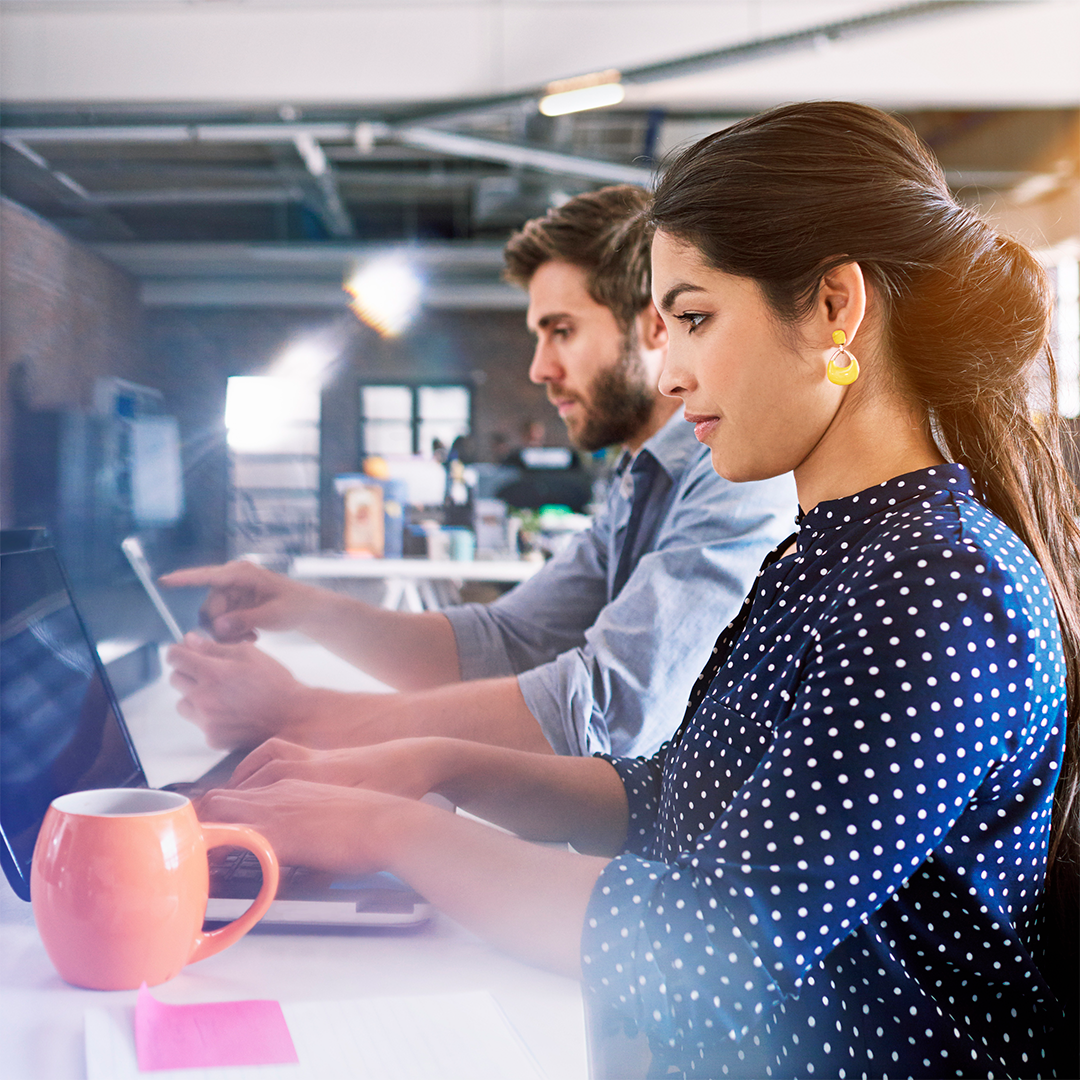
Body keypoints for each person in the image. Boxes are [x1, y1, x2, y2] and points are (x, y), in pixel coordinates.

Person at [200, 102, 1078, 1077]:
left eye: (696, 318)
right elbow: (670, 800)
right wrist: (434, 766)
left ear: (836, 307)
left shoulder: (938, 584)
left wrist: (388, 828)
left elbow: (711, 952)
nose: (670, 376)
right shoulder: (829, 556)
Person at [164, 185, 797, 758]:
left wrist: (302, 714)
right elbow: (504, 641)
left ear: (654, 327)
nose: (539, 368)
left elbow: (607, 712)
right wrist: (305, 608)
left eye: (562, 331)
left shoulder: (736, 477)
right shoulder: (641, 477)